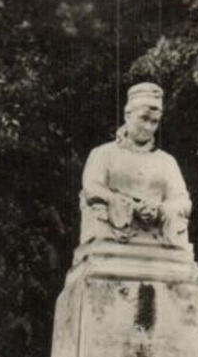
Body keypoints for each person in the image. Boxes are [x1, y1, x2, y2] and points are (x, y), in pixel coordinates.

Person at [79, 82, 191, 250]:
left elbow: (182, 200)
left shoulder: (167, 162)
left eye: (154, 122)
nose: (148, 127)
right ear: (127, 115)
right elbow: (92, 188)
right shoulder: (103, 154)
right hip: (115, 231)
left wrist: (160, 209)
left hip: (157, 237)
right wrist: (131, 207)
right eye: (144, 118)